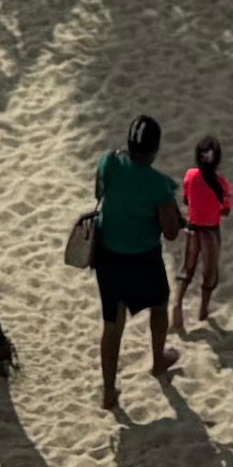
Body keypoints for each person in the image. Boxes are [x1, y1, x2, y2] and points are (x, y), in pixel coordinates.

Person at [89, 112, 181, 409]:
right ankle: (158, 361)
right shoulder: (159, 185)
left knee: (112, 324)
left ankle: (108, 391)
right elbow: (169, 233)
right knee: (159, 305)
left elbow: (98, 192)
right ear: (154, 151)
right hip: (143, 259)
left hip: (108, 256)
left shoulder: (109, 162)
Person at [173, 137, 233, 329]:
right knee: (209, 274)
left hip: (192, 229)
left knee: (186, 270)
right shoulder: (221, 184)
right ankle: (202, 312)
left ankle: (176, 306)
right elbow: (225, 210)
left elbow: (185, 200)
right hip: (211, 233)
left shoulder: (190, 176)